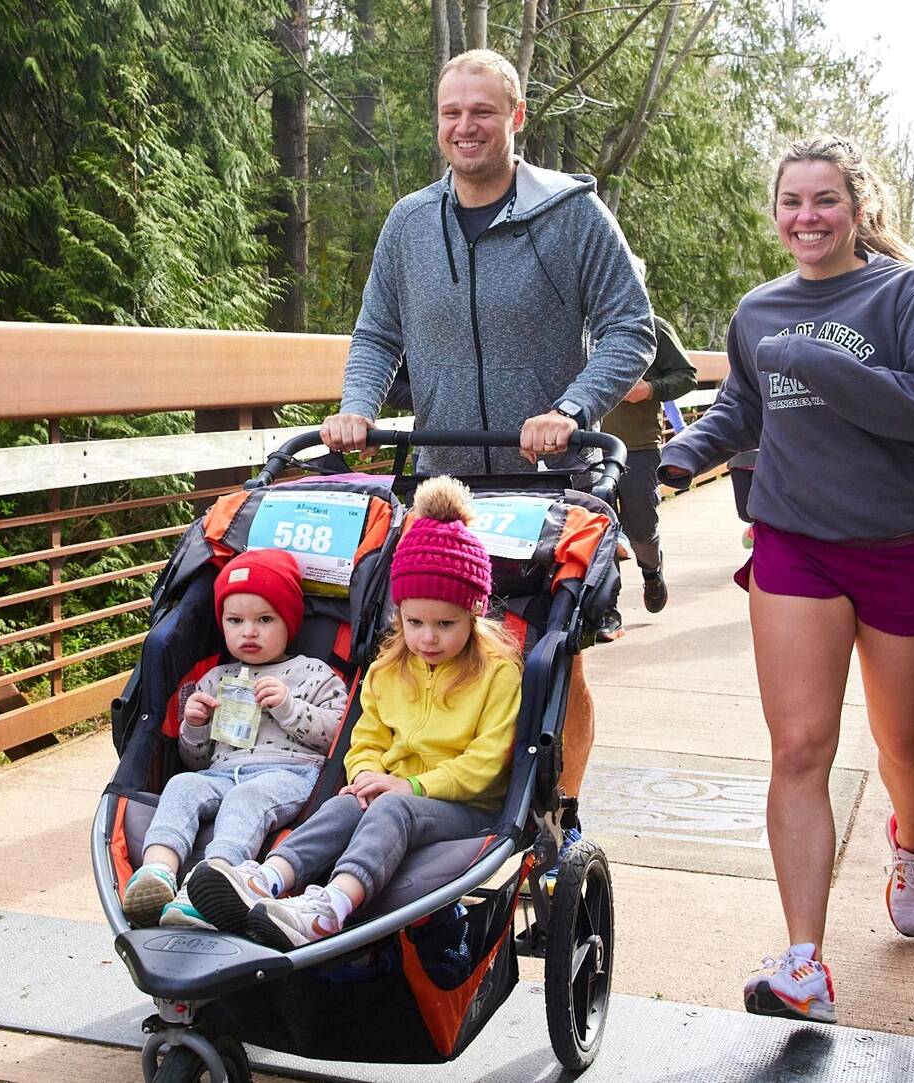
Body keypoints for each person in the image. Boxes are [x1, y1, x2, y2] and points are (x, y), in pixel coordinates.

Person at [658, 135, 914, 1025]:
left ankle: (907, 840)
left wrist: (827, 365)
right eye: (791, 202)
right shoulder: (759, 310)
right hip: (796, 542)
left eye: (824, 200)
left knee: (903, 741)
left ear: (858, 207)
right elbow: (741, 409)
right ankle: (805, 961)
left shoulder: (910, 293)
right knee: (800, 748)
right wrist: (679, 458)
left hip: (902, 539)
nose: (806, 217)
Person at [319, 47, 654, 853]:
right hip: (445, 484)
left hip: (546, 483)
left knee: (552, 655)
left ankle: (557, 810)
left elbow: (630, 330)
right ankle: (428, 792)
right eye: (450, 113)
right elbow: (376, 334)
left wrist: (571, 408)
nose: (464, 126)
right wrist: (356, 407)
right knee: (424, 645)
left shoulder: (571, 216)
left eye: (482, 111)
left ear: (517, 118)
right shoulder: (408, 223)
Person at [185, 477, 522, 948]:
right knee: (343, 805)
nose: (427, 638)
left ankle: (330, 907)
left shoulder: (497, 673)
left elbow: (488, 761)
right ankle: (267, 879)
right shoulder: (390, 667)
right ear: (399, 615)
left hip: (465, 804)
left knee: (392, 808)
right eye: (415, 623)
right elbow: (366, 737)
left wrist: (411, 786)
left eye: (446, 624)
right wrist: (365, 773)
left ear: (474, 614)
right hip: (393, 788)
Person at [121, 549, 348, 928]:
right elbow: (196, 760)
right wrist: (193, 725)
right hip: (221, 772)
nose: (249, 631)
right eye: (235, 620)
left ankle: (214, 879)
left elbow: (336, 738)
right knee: (181, 784)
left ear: (289, 622)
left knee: (246, 799)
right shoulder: (214, 678)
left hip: (288, 774)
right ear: (222, 624)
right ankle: (157, 870)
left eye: (264, 619)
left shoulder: (313, 672)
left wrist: (291, 707)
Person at [601, 295, 699, 617]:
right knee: (596, 528)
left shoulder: (652, 327)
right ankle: (605, 608)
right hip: (588, 445)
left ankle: (651, 572)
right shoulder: (584, 327)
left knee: (641, 525)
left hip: (638, 445)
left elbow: (687, 375)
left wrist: (650, 390)